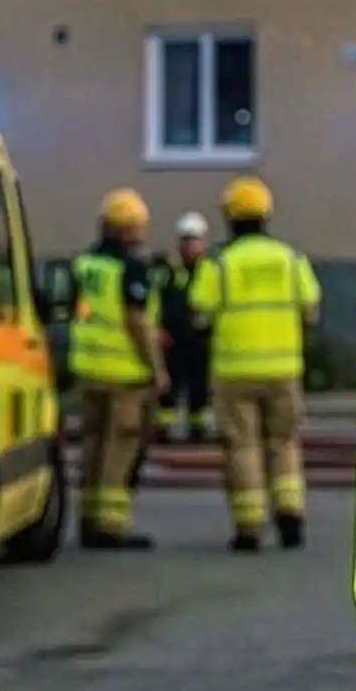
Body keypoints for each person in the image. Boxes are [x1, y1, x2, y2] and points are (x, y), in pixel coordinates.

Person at [190, 176, 319, 551]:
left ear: (230, 216)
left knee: (242, 445)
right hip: (284, 370)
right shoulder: (290, 259)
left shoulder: (219, 263)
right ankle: (290, 511)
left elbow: (200, 313)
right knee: (284, 442)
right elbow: (311, 310)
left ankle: (249, 525)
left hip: (233, 371)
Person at [69, 189, 167, 550]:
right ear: (129, 229)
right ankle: (111, 523)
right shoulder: (131, 267)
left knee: (92, 444)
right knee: (121, 447)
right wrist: (156, 369)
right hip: (125, 374)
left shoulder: (85, 264)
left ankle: (88, 517)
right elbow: (136, 321)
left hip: (88, 369)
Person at [160, 212, 213, 443]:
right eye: (187, 241)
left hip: (201, 338)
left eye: (195, 240)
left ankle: (198, 427)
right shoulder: (167, 271)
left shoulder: (210, 269)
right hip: (172, 338)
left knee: (199, 385)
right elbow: (156, 301)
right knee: (170, 385)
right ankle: (163, 427)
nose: (191, 246)